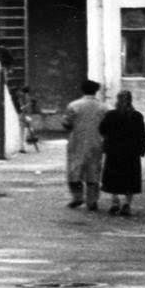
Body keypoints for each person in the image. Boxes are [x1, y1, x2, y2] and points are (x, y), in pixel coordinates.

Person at [96, 91, 145, 216]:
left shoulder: (111, 115)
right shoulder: (136, 116)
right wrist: (141, 150)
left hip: (114, 151)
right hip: (131, 152)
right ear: (131, 100)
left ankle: (115, 202)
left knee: (113, 177)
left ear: (117, 100)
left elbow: (102, 130)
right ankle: (127, 204)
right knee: (130, 178)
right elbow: (142, 135)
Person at [62, 80, 107, 210]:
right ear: (96, 91)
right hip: (96, 142)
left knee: (74, 170)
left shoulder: (74, 106)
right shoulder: (103, 107)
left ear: (82, 90)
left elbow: (66, 124)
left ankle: (77, 197)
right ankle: (92, 201)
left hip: (77, 142)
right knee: (93, 171)